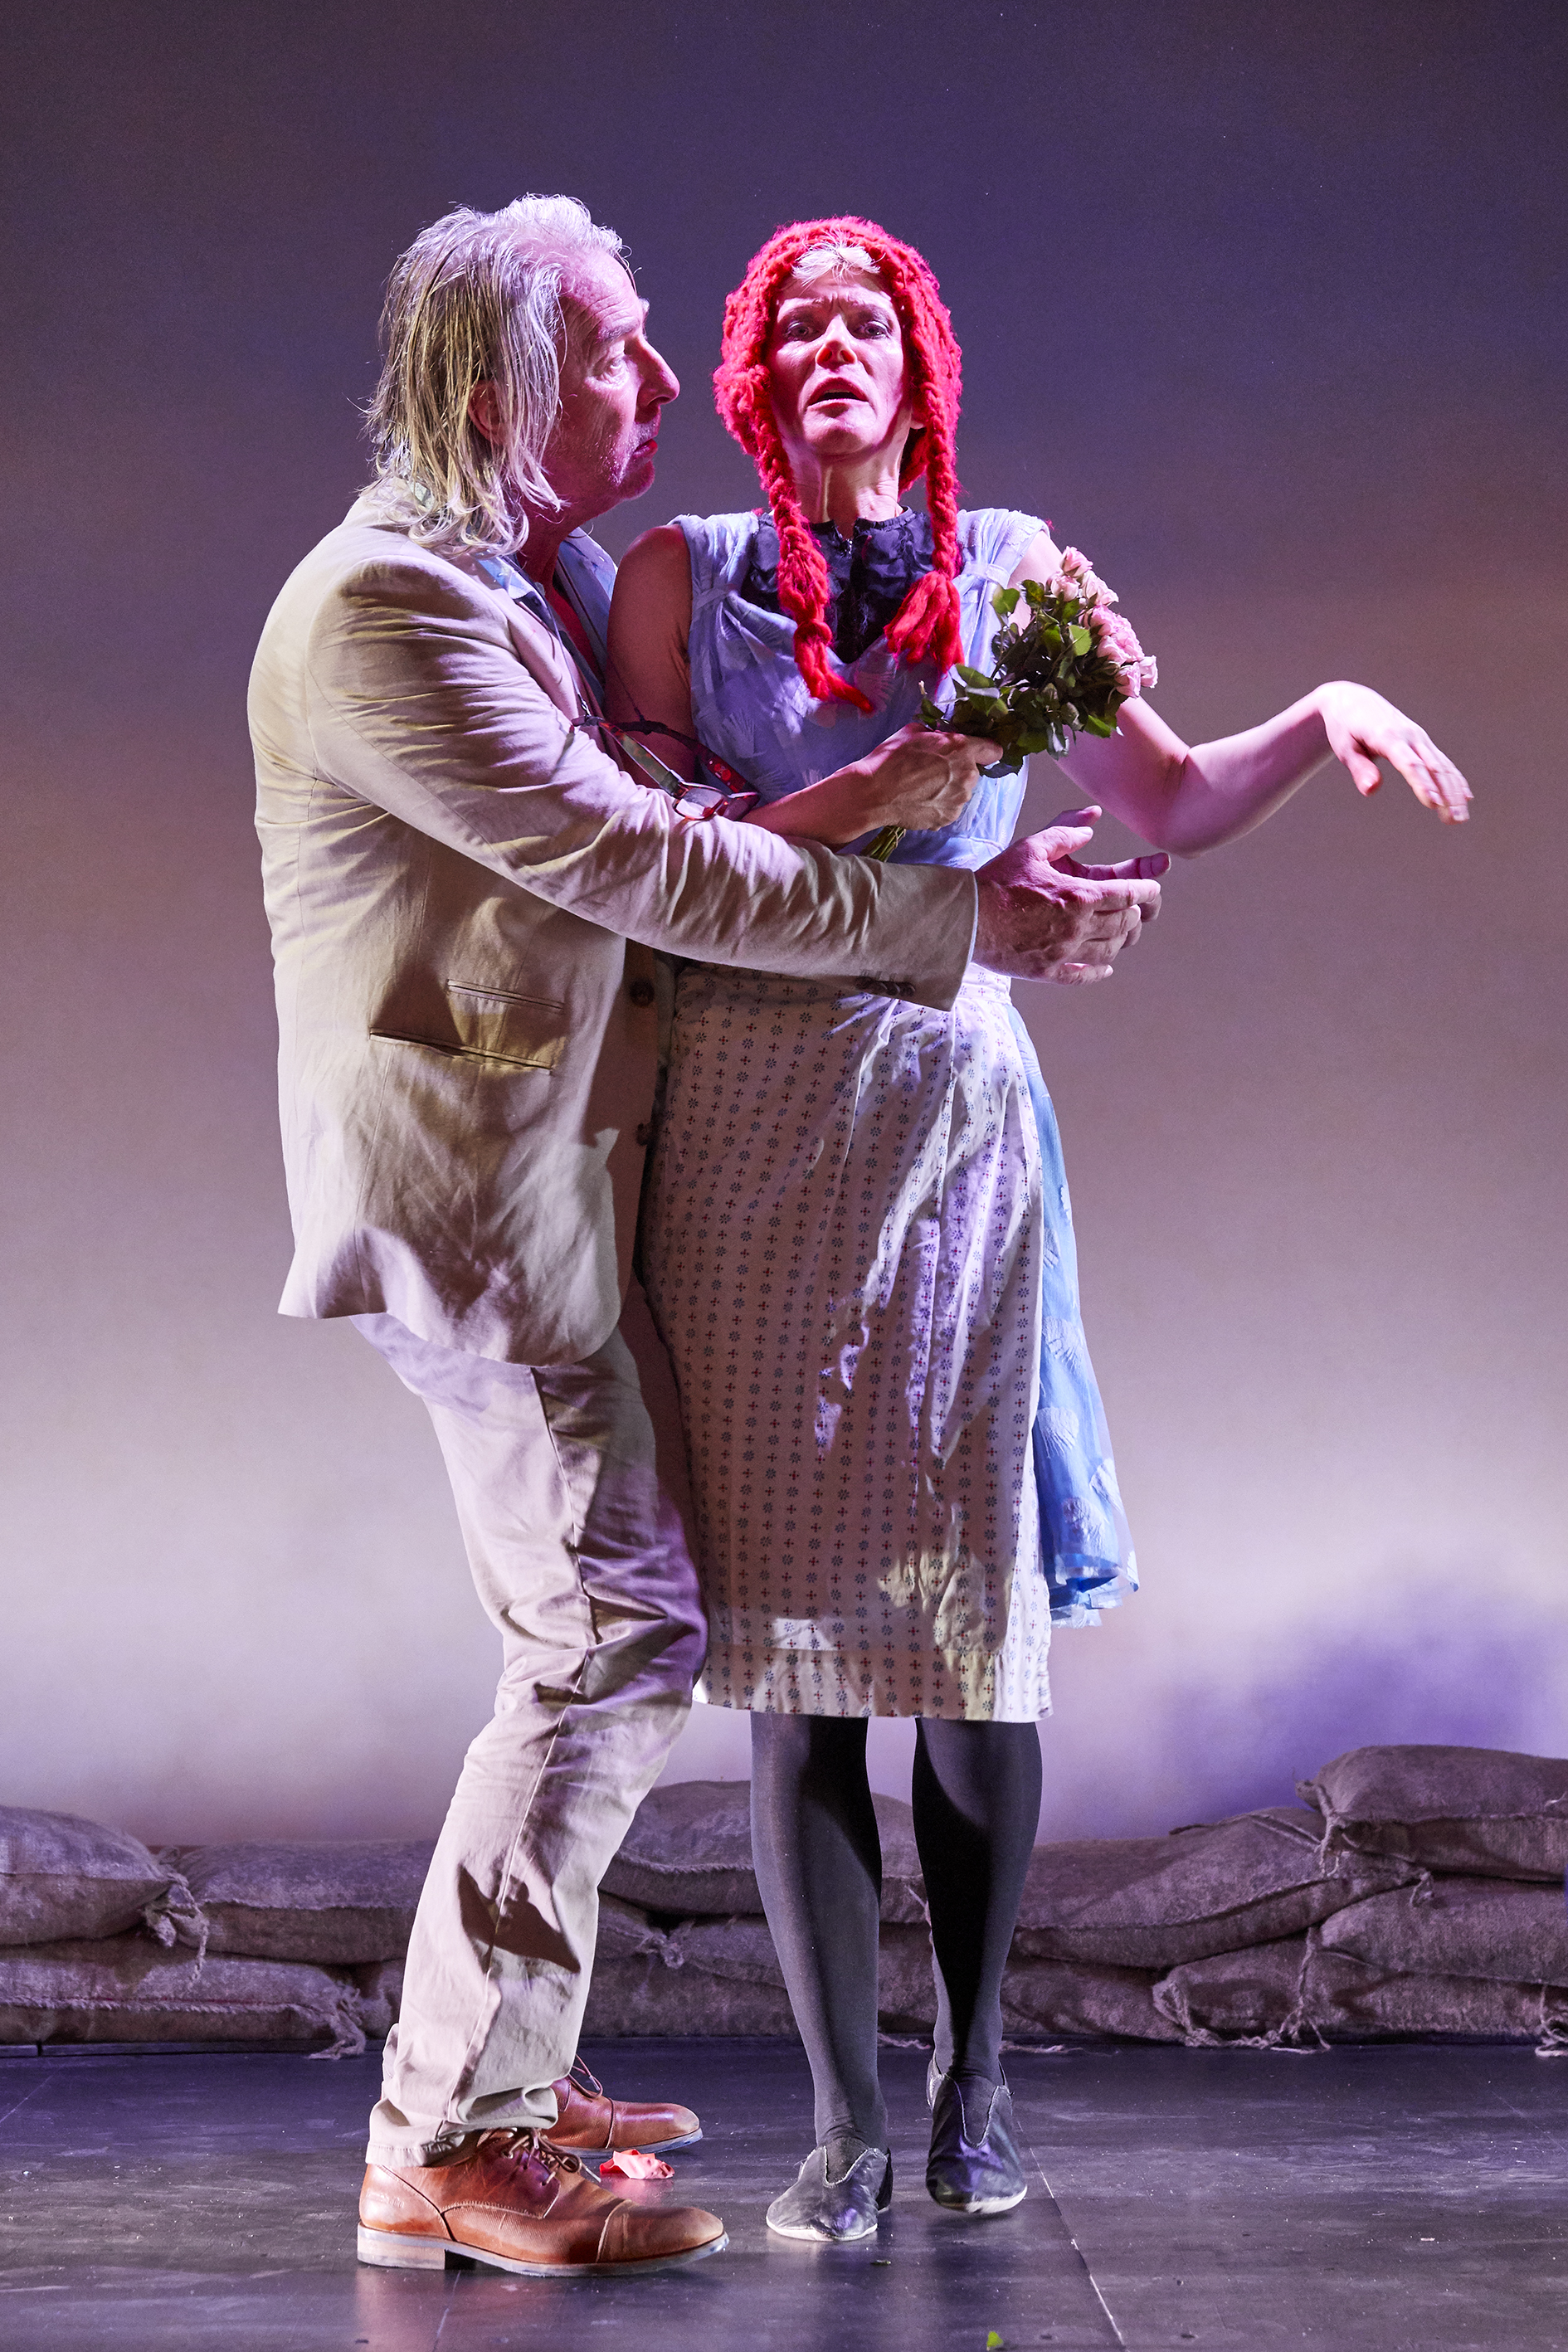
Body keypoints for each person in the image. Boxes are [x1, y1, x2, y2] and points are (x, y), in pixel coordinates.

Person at [249, 197, 1162, 2281]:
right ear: (504, 390)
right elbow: (656, 866)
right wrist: (956, 908)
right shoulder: (392, 611)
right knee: (614, 1628)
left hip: (588, 1164)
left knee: (612, 1620)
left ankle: (498, 2070)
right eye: (619, 347)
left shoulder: (548, 577)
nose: (672, 383)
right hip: (481, 1187)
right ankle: (452, 2136)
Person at [606, 214, 1471, 2242]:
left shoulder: (1012, 570)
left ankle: (976, 2073)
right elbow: (651, 860)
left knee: (975, 1633)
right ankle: (844, 2119)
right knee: (803, 1657)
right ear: (753, 380)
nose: (835, 348)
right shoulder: (678, 580)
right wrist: (897, 798)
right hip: (746, 1137)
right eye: (798, 328)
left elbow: (1168, 802)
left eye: (869, 323)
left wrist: (1317, 708)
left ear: (923, 367)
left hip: (951, 1143)